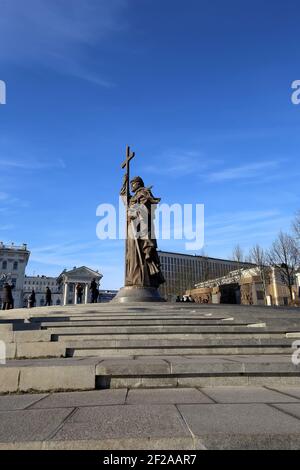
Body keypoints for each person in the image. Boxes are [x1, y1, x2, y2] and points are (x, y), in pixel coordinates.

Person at [120, 175, 165, 288]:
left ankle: (142, 278)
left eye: (133, 183)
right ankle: (133, 278)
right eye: (130, 184)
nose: (131, 186)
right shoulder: (134, 196)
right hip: (132, 227)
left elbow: (148, 206)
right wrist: (124, 183)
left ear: (139, 183)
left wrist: (135, 211)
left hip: (140, 227)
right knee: (131, 252)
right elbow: (124, 198)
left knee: (140, 251)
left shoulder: (144, 192)